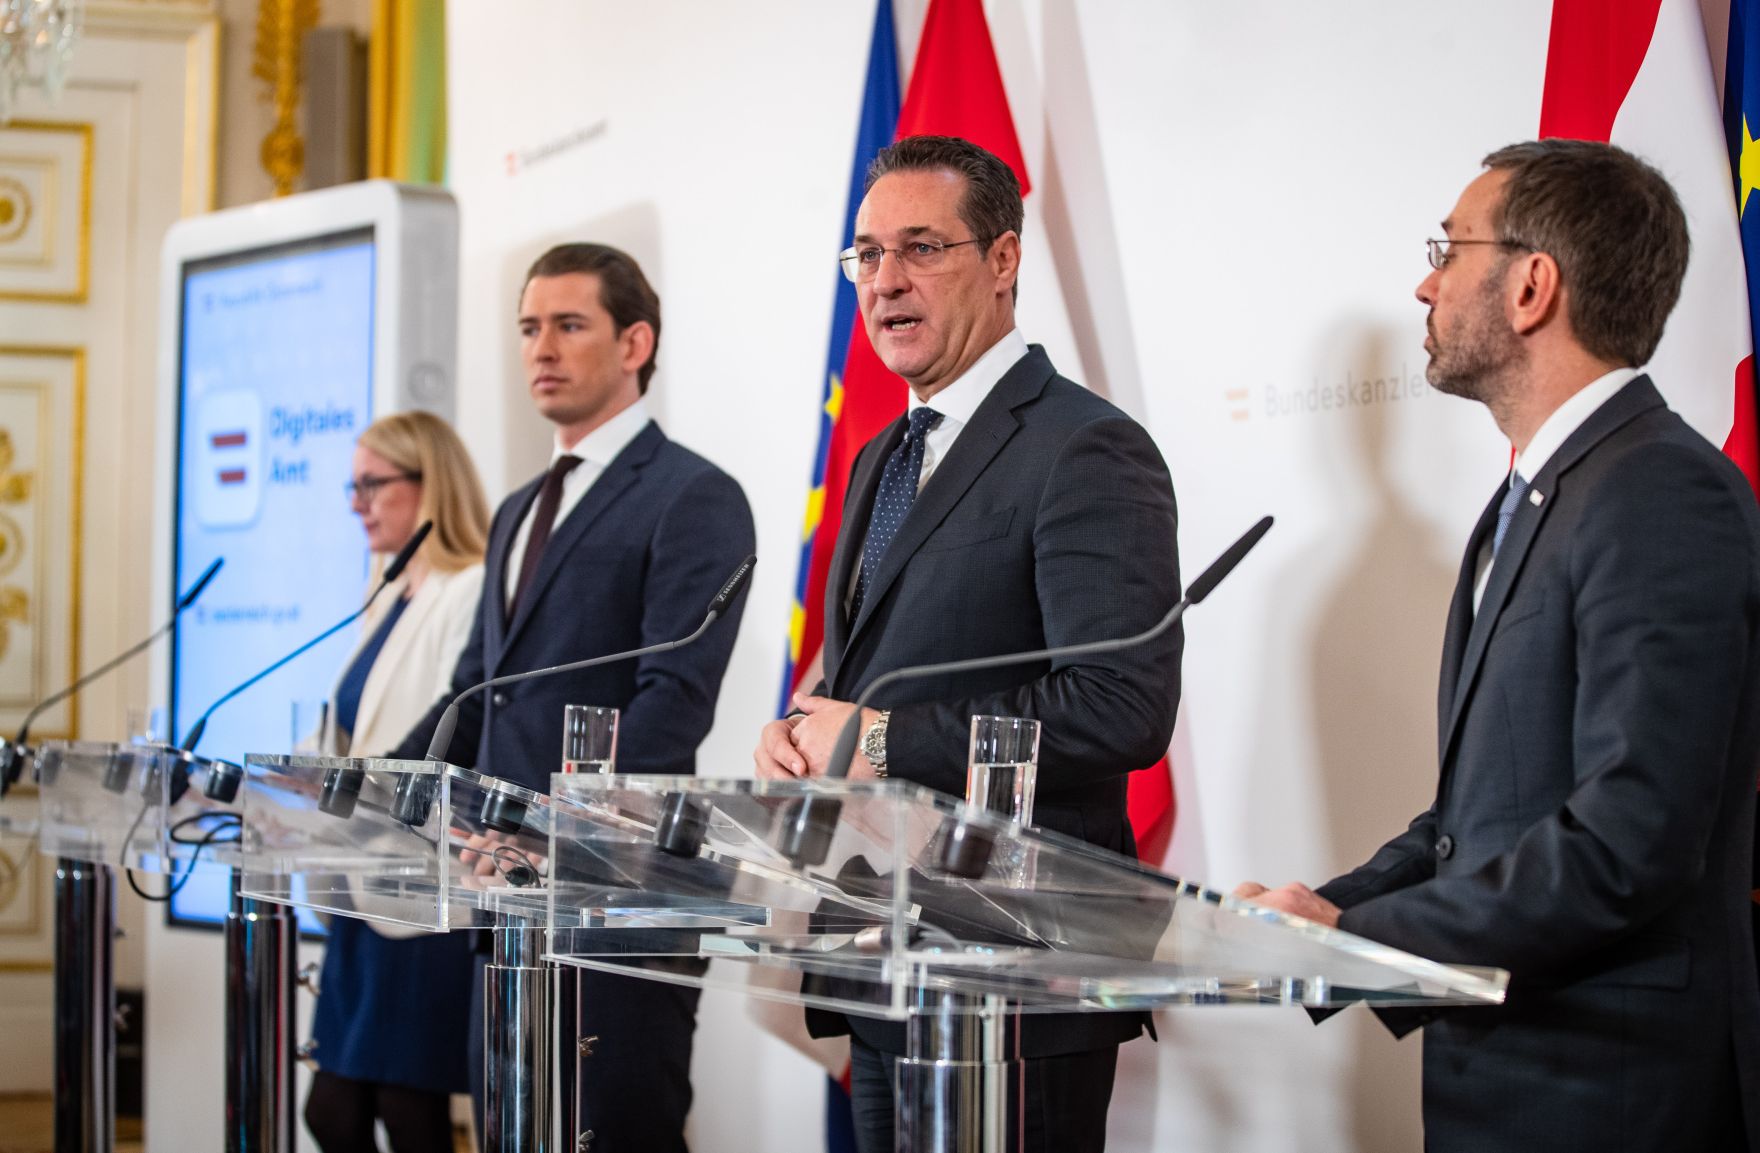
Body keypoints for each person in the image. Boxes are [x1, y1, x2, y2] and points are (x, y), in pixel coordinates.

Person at [1236, 140, 1760, 1151]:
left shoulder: (1657, 493)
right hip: (1512, 1073)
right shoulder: (1537, 498)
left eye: (1448, 247)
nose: (1423, 282)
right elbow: (1478, 819)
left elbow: (1625, 842)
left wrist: (1362, 943)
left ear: (1530, 285)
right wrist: (1322, 912)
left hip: (1609, 1093)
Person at [753, 134, 1181, 1153]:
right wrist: (807, 737)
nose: (885, 280)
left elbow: (1119, 706)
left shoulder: (1082, 446)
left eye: (919, 248)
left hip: (1012, 965)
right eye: (865, 254)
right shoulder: (878, 455)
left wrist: (884, 740)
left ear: (1001, 261)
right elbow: (885, 672)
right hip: (881, 948)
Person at [388, 243, 756, 1151]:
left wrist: (548, 829)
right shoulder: (516, 507)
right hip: (505, 897)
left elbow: (674, 705)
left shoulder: (695, 496)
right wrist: (377, 792)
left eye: (568, 324)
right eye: (527, 328)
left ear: (636, 343)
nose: (540, 348)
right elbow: (476, 689)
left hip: (617, 896)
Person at [304, 410, 491, 1153]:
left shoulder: (469, 588)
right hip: (358, 874)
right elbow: (345, 732)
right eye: (353, 486)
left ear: (430, 484)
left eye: (373, 484)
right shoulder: (384, 591)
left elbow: (455, 726)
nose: (358, 502)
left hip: (418, 883)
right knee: (335, 1111)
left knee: (408, 1112)